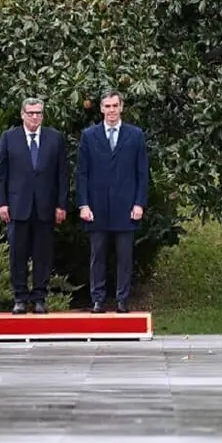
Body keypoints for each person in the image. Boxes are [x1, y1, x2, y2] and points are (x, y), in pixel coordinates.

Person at [0, 97, 69, 315]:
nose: (35, 116)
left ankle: (39, 299)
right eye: (31, 113)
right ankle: (19, 298)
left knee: (42, 254)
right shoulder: (9, 138)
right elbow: (0, 175)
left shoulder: (55, 138)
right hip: (17, 207)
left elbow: (62, 174)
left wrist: (61, 204)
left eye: (38, 113)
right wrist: (1, 203)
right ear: (22, 114)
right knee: (18, 254)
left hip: (45, 207)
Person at [77, 90, 149, 313]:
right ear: (101, 109)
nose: (111, 110)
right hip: (96, 208)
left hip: (126, 207)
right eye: (107, 106)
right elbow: (82, 173)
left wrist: (139, 203)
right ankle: (97, 299)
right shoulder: (89, 136)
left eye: (115, 106)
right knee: (97, 256)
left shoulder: (135, 135)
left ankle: (122, 300)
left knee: (125, 257)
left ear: (121, 107)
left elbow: (142, 172)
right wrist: (83, 204)